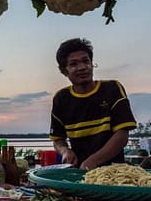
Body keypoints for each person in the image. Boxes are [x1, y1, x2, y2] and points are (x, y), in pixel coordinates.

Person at [49, 38, 137, 170]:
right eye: (74, 64)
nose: (82, 67)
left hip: (114, 173)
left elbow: (122, 135)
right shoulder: (61, 98)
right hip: (78, 174)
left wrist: (93, 161)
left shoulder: (112, 89)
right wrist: (65, 151)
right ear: (64, 70)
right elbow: (57, 139)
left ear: (92, 63)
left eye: (86, 61)